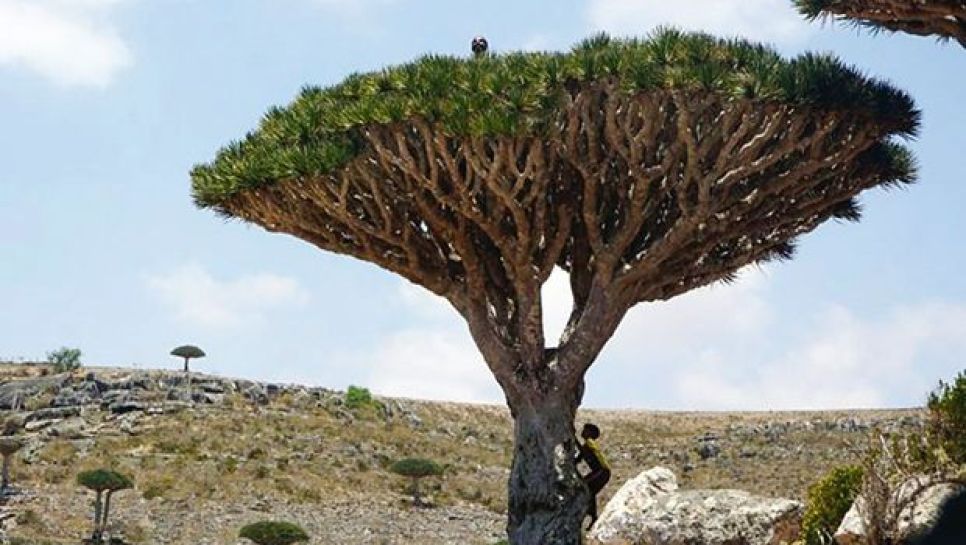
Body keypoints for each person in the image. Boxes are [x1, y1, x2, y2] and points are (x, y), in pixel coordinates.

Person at [576, 423, 611, 530]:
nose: (582, 431)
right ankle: (592, 514)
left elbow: (587, 451)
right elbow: (578, 459)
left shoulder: (590, 443)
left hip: (602, 471)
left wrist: (573, 438)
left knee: (587, 487)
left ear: (590, 434)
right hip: (600, 472)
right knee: (589, 491)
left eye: (585, 430)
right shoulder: (586, 445)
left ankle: (592, 514)